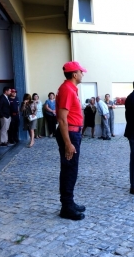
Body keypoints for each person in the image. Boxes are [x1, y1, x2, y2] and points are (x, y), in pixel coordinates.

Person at [55, 61, 87, 220]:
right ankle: (66, 207)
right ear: (75, 74)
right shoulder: (67, 89)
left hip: (74, 132)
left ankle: (69, 202)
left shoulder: (70, 89)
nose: (83, 74)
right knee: (69, 169)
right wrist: (68, 143)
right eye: (81, 72)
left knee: (71, 169)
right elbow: (62, 119)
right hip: (70, 133)